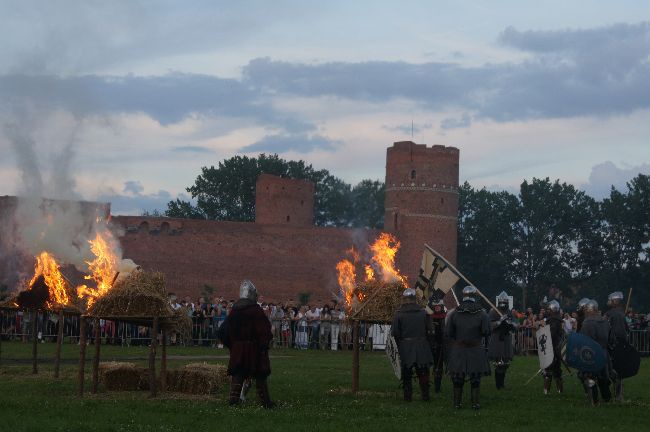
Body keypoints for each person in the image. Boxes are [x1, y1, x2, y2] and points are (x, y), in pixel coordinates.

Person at [218, 280, 274, 408]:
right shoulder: (256, 310)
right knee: (260, 373)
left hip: (238, 348)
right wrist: (264, 345)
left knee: (238, 373)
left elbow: (223, 331)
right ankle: (265, 402)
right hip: (254, 347)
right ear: (252, 294)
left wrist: (233, 345)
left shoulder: (234, 311)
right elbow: (264, 330)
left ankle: (233, 399)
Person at [445, 286, 490, 410]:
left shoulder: (454, 313)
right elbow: (486, 331)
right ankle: (475, 404)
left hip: (459, 349)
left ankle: (457, 403)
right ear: (474, 296)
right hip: (475, 349)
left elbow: (449, 332)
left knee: (458, 378)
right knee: (475, 378)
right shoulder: (482, 313)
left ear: (463, 296)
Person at [391, 288, 434, 401]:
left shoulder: (398, 314)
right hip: (422, 345)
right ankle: (425, 396)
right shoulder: (423, 313)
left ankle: (407, 397)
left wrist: (401, 344)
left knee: (407, 372)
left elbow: (395, 333)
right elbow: (430, 330)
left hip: (406, 346)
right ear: (415, 299)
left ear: (404, 299)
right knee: (423, 372)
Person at [580, 300, 613, 405]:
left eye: (585, 309)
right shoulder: (605, 321)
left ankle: (594, 400)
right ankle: (607, 397)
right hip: (603, 352)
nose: (584, 311)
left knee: (589, 376)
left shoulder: (587, 322)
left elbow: (584, 340)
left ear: (589, 309)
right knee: (603, 376)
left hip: (591, 353)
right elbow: (611, 339)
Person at [488, 292, 517, 390]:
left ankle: (502, 384)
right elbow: (490, 326)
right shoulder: (493, 311)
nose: (503, 304)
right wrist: (500, 321)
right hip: (497, 339)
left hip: (506, 338)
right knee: (498, 363)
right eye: (502, 302)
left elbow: (515, 324)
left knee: (505, 363)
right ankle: (498, 385)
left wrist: (511, 323)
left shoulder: (509, 312)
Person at [605, 291, 629, 401]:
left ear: (615, 301)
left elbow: (617, 332)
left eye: (610, 300)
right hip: (619, 344)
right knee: (616, 370)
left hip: (613, 345)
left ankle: (617, 395)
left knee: (613, 370)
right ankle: (617, 394)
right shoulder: (621, 313)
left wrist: (611, 342)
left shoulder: (611, 314)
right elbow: (626, 330)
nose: (608, 302)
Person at [542, 300, 564, 394]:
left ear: (552, 309)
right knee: (556, 369)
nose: (547, 310)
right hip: (555, 346)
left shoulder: (554, 320)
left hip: (553, 346)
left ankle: (547, 390)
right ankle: (559, 390)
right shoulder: (557, 319)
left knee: (550, 369)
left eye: (548, 309)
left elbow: (552, 334)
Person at [427, 298, 447, 394]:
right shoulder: (429, 318)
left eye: (439, 306)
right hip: (431, 345)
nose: (437, 308)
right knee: (428, 366)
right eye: (436, 306)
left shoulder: (446, 318)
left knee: (439, 367)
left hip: (443, 346)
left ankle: (437, 388)